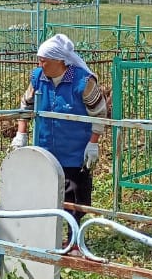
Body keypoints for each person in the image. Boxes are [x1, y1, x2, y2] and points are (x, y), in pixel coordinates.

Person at [11, 34, 109, 207]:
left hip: (74, 153)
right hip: (45, 151)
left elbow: (99, 112)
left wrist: (93, 144)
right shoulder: (38, 78)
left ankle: (75, 233)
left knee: (74, 203)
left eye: (44, 61)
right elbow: (25, 105)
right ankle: (45, 233)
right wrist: (21, 133)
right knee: (43, 198)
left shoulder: (83, 82)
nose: (40, 65)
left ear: (59, 61)